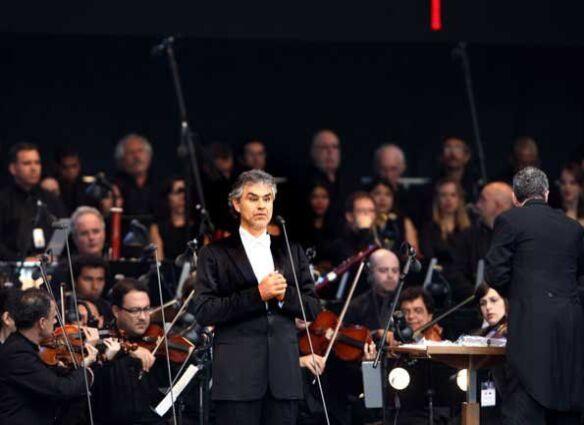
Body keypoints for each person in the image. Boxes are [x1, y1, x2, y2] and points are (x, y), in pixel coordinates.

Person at [193, 169, 320, 425]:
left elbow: (313, 307)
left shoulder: (291, 250)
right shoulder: (214, 253)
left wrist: (285, 295)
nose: (262, 205)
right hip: (237, 378)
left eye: (267, 198)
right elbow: (205, 310)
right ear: (237, 204)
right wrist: (257, 295)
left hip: (284, 378)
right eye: (253, 198)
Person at [485, 166, 584, 424]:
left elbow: (495, 274)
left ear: (516, 198)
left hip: (530, 326)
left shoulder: (509, 220)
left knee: (525, 403)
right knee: (566, 402)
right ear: (547, 194)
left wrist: (521, 296)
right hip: (571, 327)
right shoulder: (573, 228)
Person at [0, 288, 104, 425]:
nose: (56, 321)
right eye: (54, 316)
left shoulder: (25, 346)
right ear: (42, 323)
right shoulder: (17, 353)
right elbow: (61, 389)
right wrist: (86, 366)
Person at [92, 278, 175, 425]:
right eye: (135, 310)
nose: (143, 317)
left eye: (147, 309)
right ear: (116, 311)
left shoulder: (159, 340)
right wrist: (129, 350)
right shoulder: (102, 341)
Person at [447, 182, 513, 303]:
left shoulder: (519, 237)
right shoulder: (467, 237)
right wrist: (479, 295)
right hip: (475, 306)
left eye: (483, 200)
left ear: (498, 206)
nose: (477, 204)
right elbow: (455, 274)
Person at [0, 142, 67, 260]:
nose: (33, 168)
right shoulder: (3, 200)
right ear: (13, 168)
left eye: (37, 162)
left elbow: (62, 228)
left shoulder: (51, 199)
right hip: (11, 267)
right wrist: (20, 260)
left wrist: (51, 255)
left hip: (49, 267)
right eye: (27, 163)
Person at [420, 178, 471, 268]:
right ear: (437, 199)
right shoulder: (429, 228)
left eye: (453, 195)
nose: (448, 199)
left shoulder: (469, 229)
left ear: (459, 199)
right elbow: (428, 258)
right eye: (443, 195)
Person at [113, 133, 158, 220]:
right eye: (131, 153)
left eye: (140, 151)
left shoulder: (162, 183)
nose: (137, 157)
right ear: (121, 160)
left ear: (149, 155)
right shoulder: (114, 187)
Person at [368, 178, 419, 254]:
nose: (382, 199)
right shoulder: (364, 221)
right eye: (377, 193)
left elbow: (413, 252)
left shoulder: (403, 221)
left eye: (388, 194)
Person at [149, 176, 192, 260]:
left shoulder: (198, 226)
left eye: (185, 192)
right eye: (178, 192)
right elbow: (158, 262)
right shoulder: (157, 228)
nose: (183, 197)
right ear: (168, 196)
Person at [71, 254, 112, 324]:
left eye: (100, 279)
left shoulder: (108, 308)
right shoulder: (63, 307)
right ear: (74, 281)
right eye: (88, 279)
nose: (95, 286)